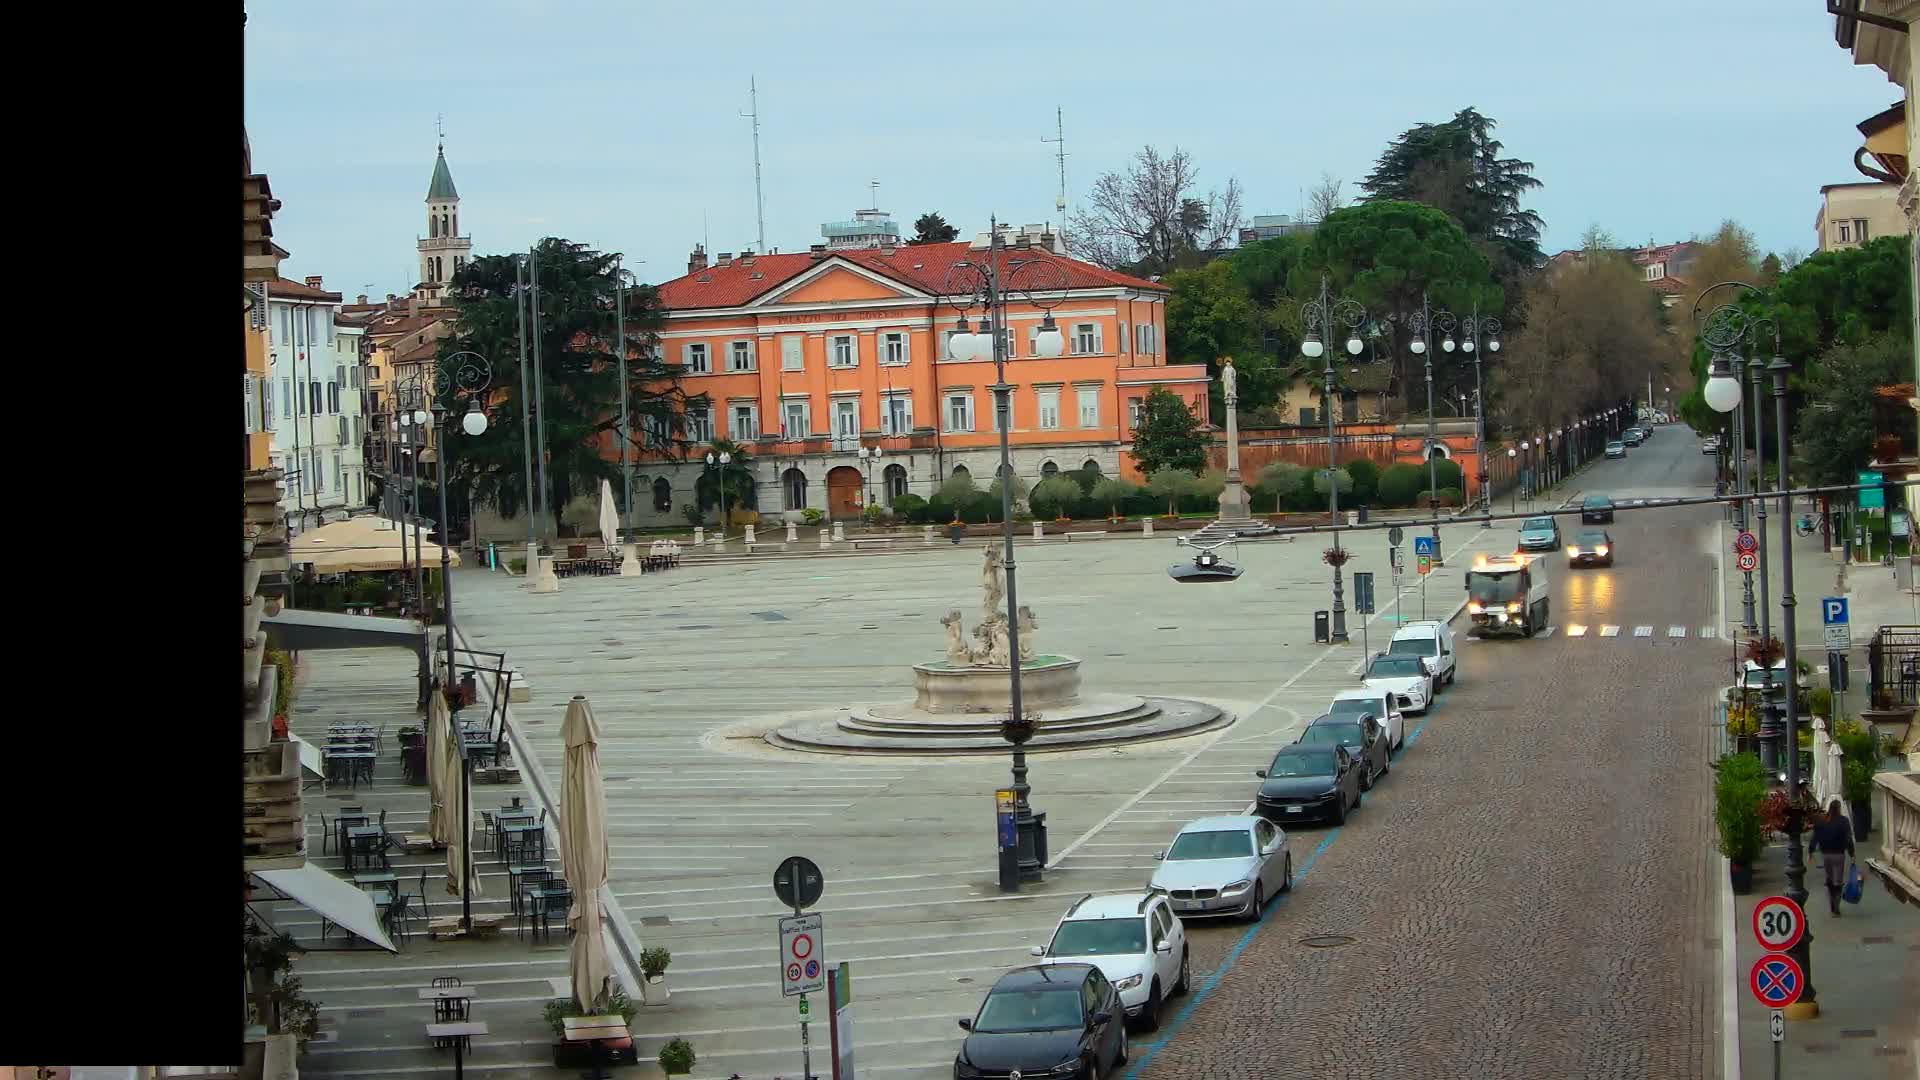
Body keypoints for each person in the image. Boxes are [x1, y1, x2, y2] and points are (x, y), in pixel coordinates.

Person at [1807, 800, 1856, 916]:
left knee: (1829, 879)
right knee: (1838, 881)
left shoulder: (1822, 820)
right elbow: (1848, 839)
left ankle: (1832, 904)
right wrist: (1852, 854)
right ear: (1839, 808)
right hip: (1839, 854)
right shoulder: (1843, 821)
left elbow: (1815, 837)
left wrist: (1810, 851)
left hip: (1826, 855)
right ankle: (1836, 906)